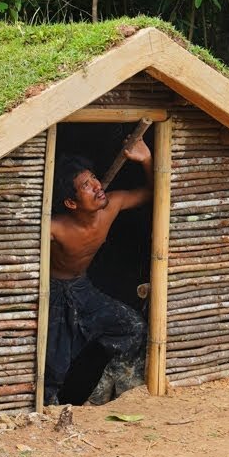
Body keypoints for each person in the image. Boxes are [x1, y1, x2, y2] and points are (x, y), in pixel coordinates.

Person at [45, 139, 151, 405]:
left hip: (83, 287)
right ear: (70, 203)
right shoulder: (55, 228)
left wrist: (147, 160)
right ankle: (49, 411)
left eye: (94, 179)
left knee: (133, 328)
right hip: (54, 291)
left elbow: (151, 193)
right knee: (53, 362)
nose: (97, 186)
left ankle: (104, 390)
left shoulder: (111, 206)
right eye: (86, 186)